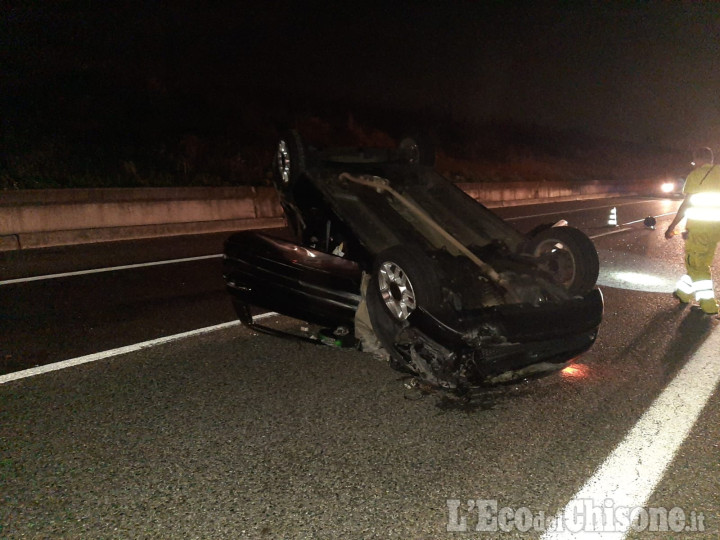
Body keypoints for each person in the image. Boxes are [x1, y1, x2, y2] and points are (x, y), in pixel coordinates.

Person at [665, 147, 720, 314]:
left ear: (699, 158)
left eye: (694, 159)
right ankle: (683, 293)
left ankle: (709, 304)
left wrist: (672, 226)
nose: (694, 163)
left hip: (699, 229)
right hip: (715, 230)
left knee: (696, 265)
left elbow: (686, 204)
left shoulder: (695, 176)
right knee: (700, 262)